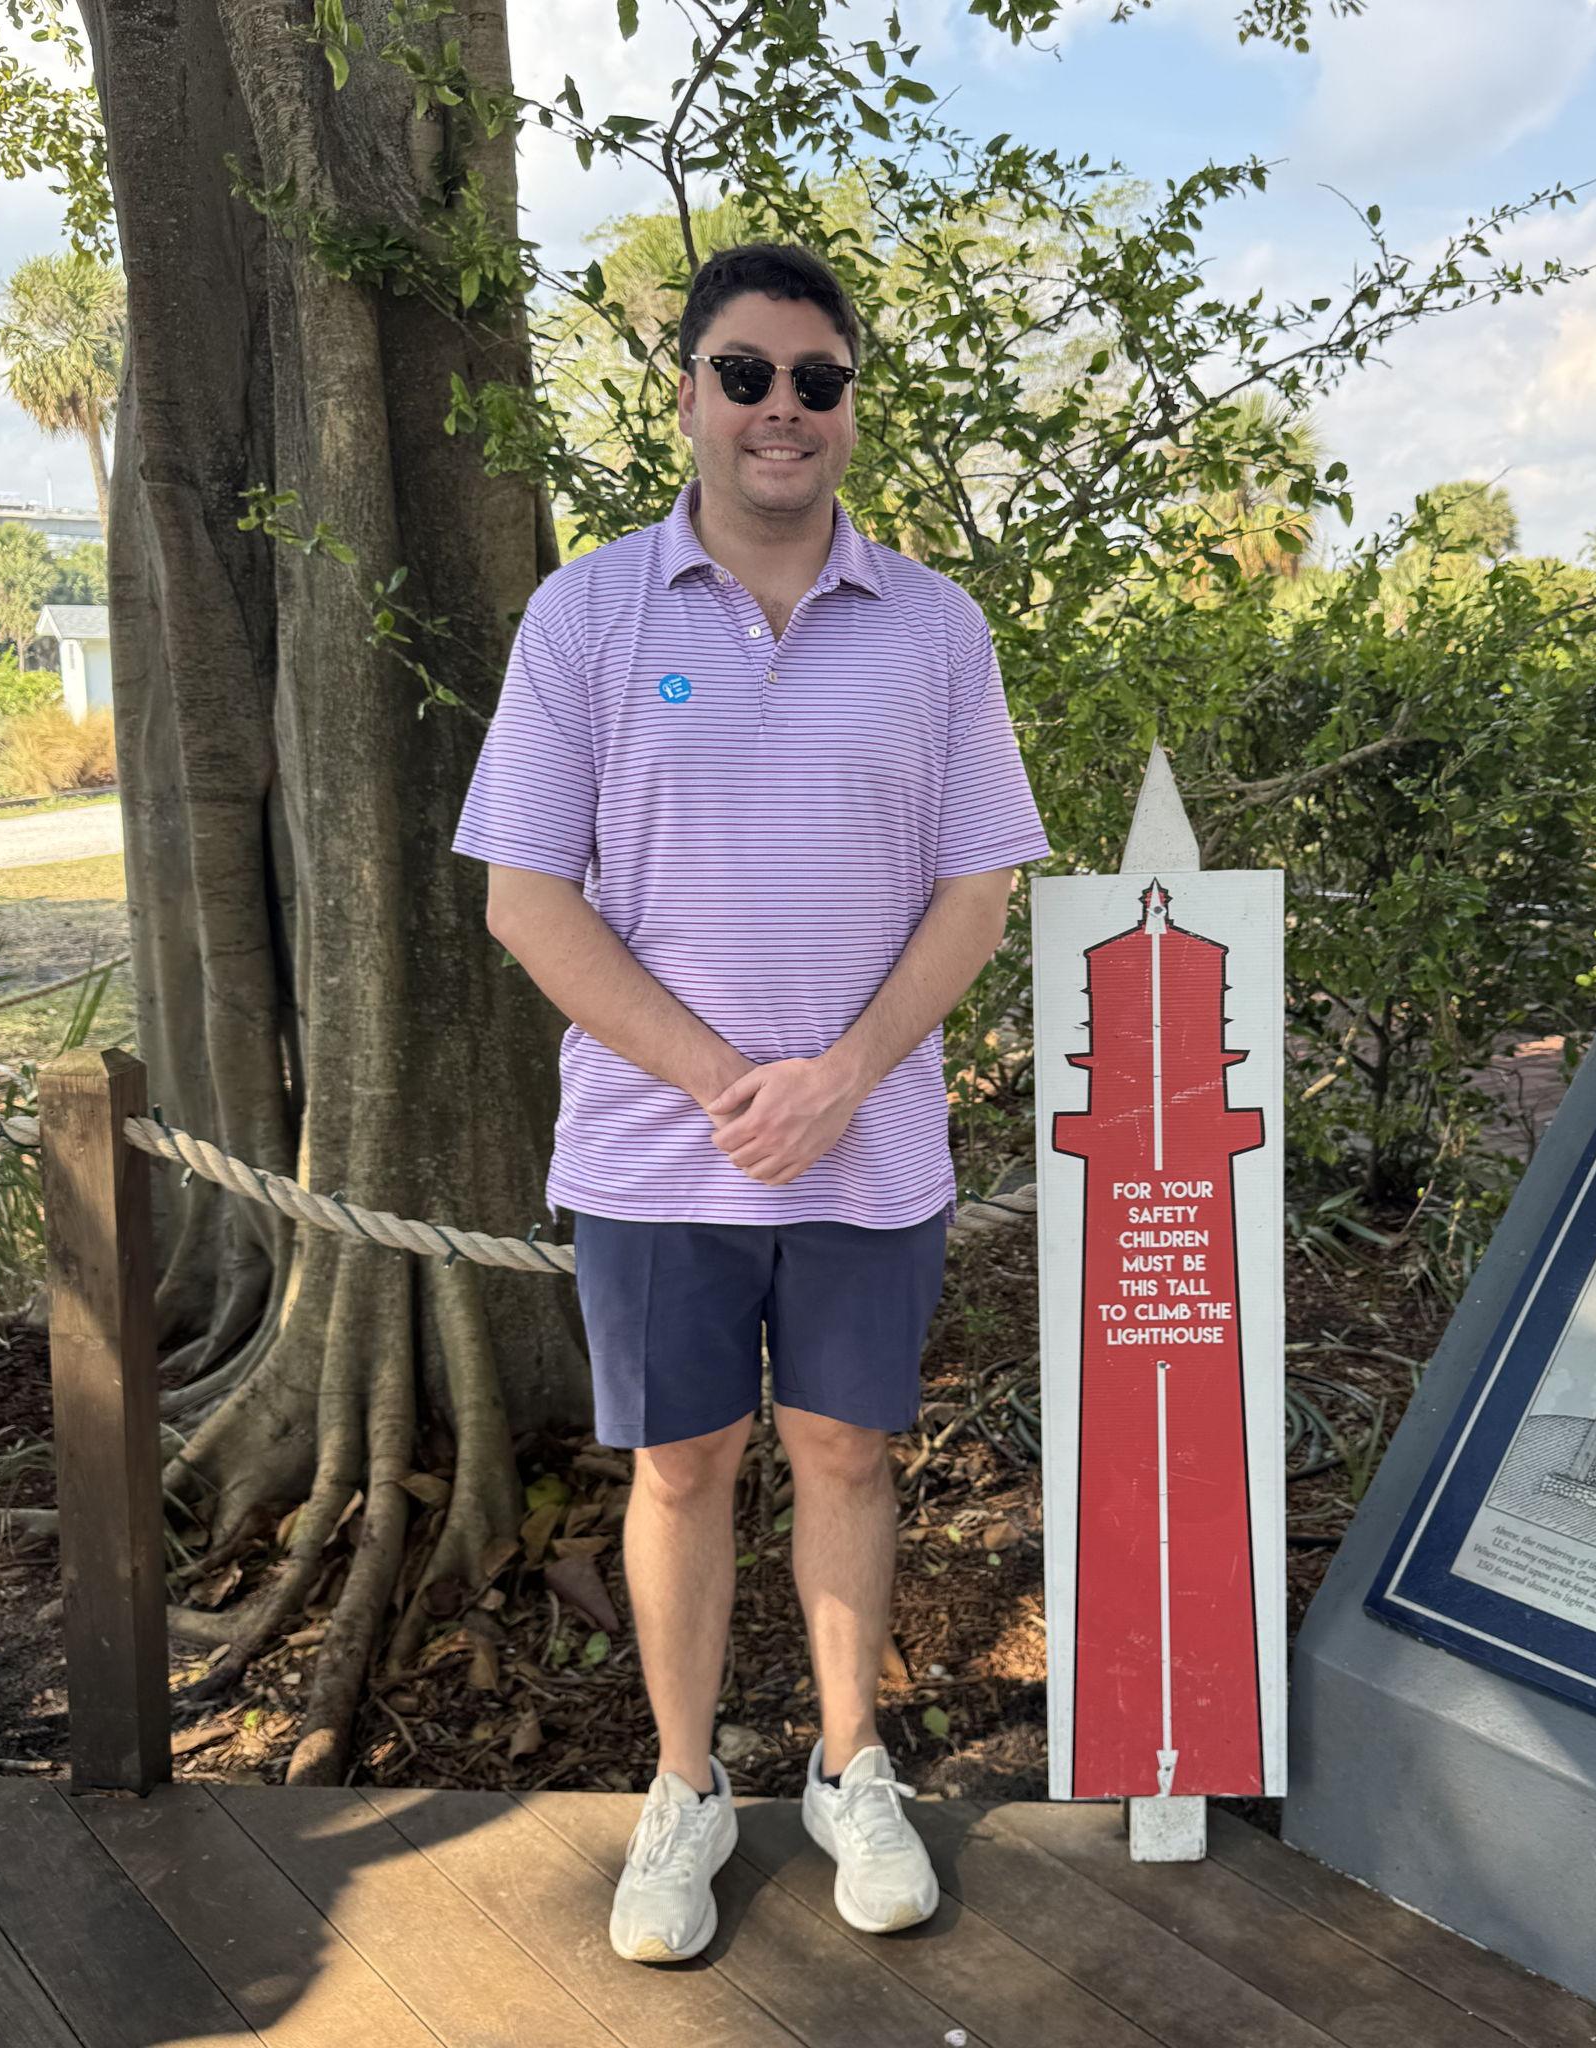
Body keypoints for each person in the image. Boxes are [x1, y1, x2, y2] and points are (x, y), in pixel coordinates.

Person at [450, 241, 1051, 1963]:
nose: (782, 407)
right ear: (690, 395)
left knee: (848, 1449)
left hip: (873, 1147)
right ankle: (687, 1787)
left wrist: (843, 1078)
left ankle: (852, 1767)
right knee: (682, 1465)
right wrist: (729, 1084)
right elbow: (525, 898)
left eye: (817, 379)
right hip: (658, 1153)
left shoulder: (934, 627)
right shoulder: (585, 617)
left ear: (850, 405)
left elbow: (979, 890)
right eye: (746, 374)